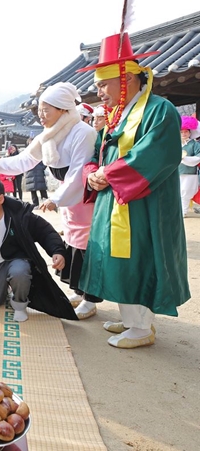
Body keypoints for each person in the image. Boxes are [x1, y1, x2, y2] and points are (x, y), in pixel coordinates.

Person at [80, 32, 190, 348]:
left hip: (143, 204)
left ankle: (142, 328)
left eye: (103, 84)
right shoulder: (115, 116)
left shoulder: (160, 110)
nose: (98, 91)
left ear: (126, 78)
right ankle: (131, 321)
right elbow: (96, 153)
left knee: (140, 257)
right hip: (112, 201)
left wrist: (109, 175)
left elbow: (156, 154)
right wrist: (92, 176)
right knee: (117, 260)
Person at [0, 83, 99, 319]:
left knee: (88, 247)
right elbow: (25, 159)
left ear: (63, 109)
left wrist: (56, 198)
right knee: (73, 245)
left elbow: (78, 172)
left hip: (84, 196)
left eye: (46, 110)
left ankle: (91, 299)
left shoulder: (82, 132)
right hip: (70, 199)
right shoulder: (49, 135)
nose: (41, 115)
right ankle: (80, 291)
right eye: (39, 110)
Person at [0, 178, 76, 322]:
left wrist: (57, 251)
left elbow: (45, 231)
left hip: (15, 259)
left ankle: (19, 304)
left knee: (20, 272)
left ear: (0, 198)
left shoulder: (19, 214)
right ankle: (7, 286)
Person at [178, 116, 200, 217]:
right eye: (181, 132)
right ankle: (179, 211)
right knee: (177, 193)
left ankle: (183, 212)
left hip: (190, 174)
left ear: (190, 132)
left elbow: (198, 158)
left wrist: (184, 159)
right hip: (177, 173)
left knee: (186, 193)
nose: (183, 134)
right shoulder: (176, 144)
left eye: (185, 132)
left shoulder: (195, 144)